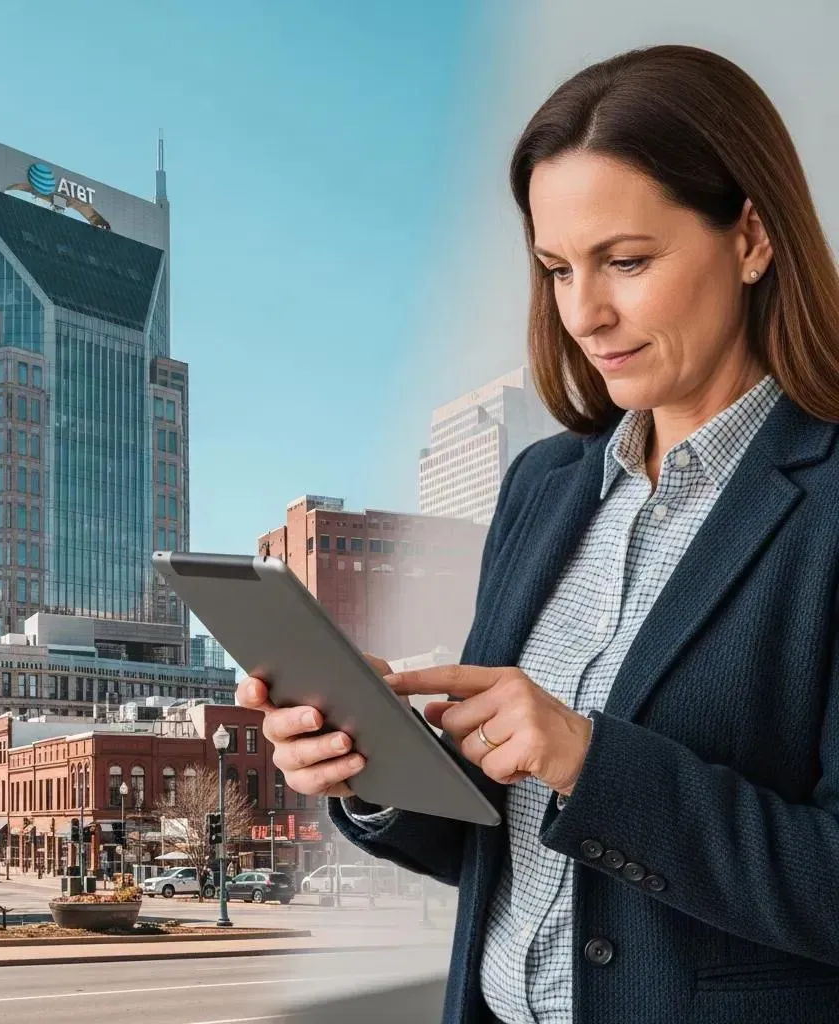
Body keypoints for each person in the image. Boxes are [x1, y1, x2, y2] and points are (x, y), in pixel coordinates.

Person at [238, 44, 839, 1024]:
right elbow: (496, 840)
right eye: (557, 268)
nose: (585, 312)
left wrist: (588, 760)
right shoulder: (546, 486)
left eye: (627, 260)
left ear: (752, 239)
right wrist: (372, 766)